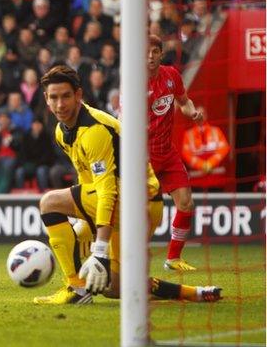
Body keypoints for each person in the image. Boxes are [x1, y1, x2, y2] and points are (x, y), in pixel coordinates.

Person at [33, 65, 221, 304]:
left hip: (136, 202)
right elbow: (88, 181)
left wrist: (99, 249)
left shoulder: (94, 130)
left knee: (49, 203)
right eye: (54, 97)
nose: (60, 104)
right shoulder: (62, 131)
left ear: (79, 95)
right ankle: (195, 293)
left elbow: (107, 190)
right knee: (114, 288)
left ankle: (75, 289)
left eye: (66, 96)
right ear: (46, 100)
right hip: (132, 204)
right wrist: (87, 223)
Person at [147, 35, 203, 271]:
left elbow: (184, 101)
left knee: (187, 203)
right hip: (142, 156)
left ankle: (173, 258)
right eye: (145, 52)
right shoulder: (133, 82)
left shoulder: (171, 75)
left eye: (154, 51)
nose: (150, 56)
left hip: (166, 153)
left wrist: (192, 112)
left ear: (161, 53)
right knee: (141, 214)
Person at [181, 107, 230, 189]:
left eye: (202, 113)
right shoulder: (188, 134)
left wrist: (211, 163)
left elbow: (224, 148)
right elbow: (186, 154)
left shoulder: (216, 131)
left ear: (206, 115)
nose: (200, 116)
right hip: (196, 182)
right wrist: (202, 165)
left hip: (216, 181)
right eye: (197, 114)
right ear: (193, 117)